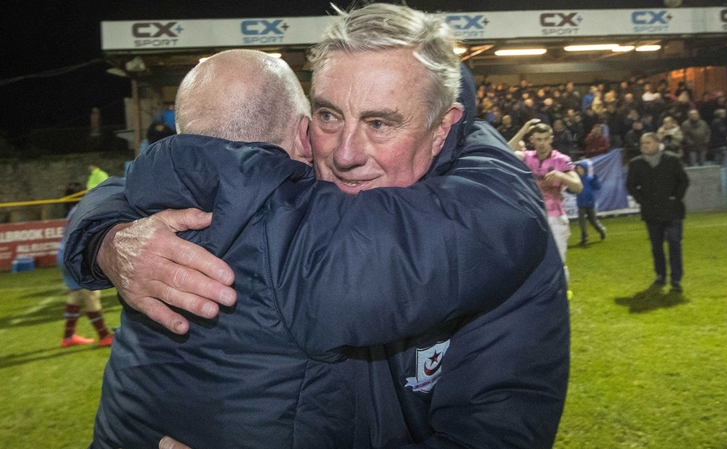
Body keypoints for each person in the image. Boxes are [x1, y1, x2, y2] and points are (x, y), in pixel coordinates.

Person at [63, 5, 569, 448]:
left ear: (442, 127)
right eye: (329, 115)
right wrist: (106, 243)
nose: (345, 154)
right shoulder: (292, 185)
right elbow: (182, 169)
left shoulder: (506, 250)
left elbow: (491, 437)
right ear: (304, 126)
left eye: (380, 123)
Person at [513, 123, 583, 284]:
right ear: (532, 140)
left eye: (545, 139)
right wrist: (524, 127)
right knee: (531, 263)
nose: (542, 143)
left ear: (551, 139)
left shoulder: (561, 160)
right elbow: (504, 150)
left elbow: (578, 186)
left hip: (555, 217)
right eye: (538, 139)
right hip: (532, 217)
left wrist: (561, 176)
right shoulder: (527, 157)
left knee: (558, 261)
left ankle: (562, 295)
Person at [626, 132, 689, 292]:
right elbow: (631, 186)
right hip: (651, 212)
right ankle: (661, 274)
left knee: (674, 243)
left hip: (672, 210)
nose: (644, 146)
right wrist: (643, 200)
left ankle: (676, 278)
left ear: (657, 143)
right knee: (656, 246)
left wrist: (676, 196)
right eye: (642, 143)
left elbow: (684, 180)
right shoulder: (636, 163)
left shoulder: (672, 159)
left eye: (647, 143)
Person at [58, 182, 113, 348]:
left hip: (63, 255)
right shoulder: (84, 209)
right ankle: (104, 335)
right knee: (91, 294)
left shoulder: (72, 212)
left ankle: (68, 337)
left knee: (75, 294)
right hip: (75, 257)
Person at [574, 162, 606, 247]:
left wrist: (595, 179)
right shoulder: (576, 179)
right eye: (577, 168)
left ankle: (601, 231)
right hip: (581, 204)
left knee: (593, 221)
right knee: (582, 223)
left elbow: (598, 187)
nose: (579, 170)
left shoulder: (590, 178)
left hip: (590, 203)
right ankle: (584, 240)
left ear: (584, 169)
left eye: (580, 168)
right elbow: (573, 190)